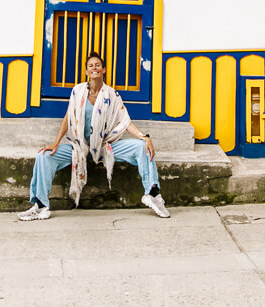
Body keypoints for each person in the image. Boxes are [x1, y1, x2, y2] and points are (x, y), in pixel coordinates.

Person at [18, 51, 170, 220]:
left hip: (106, 147)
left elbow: (125, 121)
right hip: (79, 147)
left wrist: (144, 136)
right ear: (86, 72)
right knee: (44, 156)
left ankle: (152, 193)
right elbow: (68, 117)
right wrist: (55, 143)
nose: (94, 68)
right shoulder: (77, 91)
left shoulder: (112, 94)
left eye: (98, 65)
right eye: (91, 66)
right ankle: (40, 206)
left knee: (143, 147)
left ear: (104, 70)